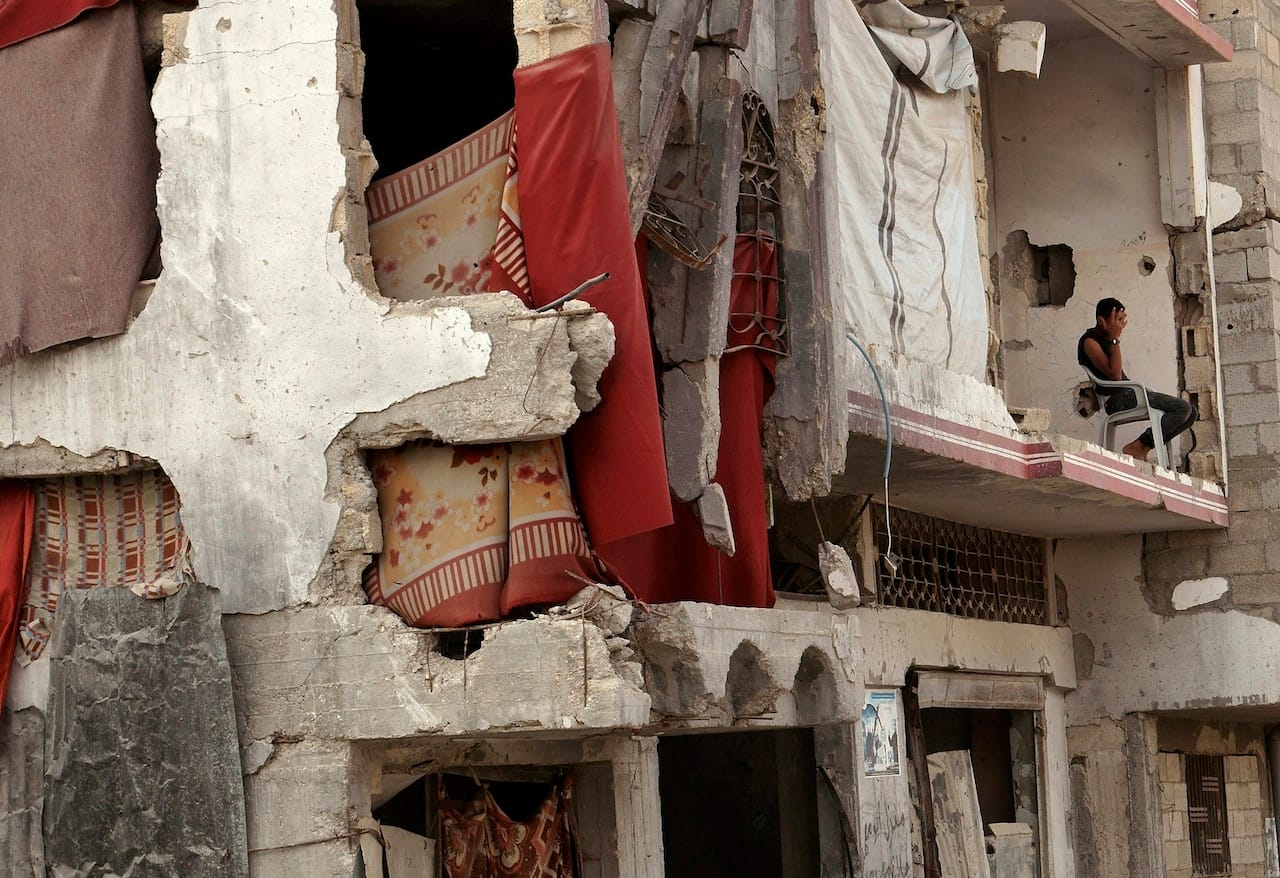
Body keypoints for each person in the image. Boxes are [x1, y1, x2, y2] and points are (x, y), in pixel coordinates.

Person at [1078, 297, 1197, 462]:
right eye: (1117, 320)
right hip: (1115, 400)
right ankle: (1138, 446)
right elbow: (1115, 376)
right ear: (1101, 320)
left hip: (1128, 393)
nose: (1121, 325)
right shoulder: (1089, 342)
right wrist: (1115, 339)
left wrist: (1113, 339)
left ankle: (1142, 446)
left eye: (1122, 320)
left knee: (1192, 413)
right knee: (1182, 409)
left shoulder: (1106, 340)